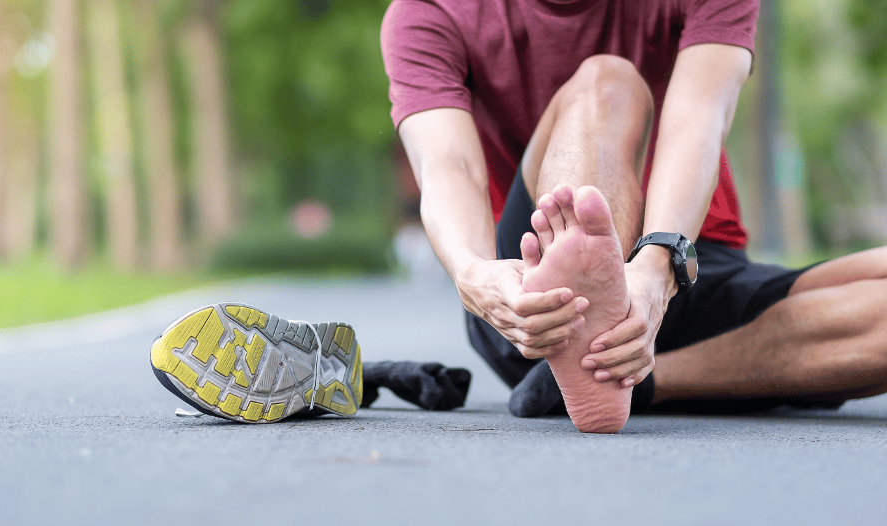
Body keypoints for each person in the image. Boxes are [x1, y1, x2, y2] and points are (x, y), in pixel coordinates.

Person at [380, 0, 887, 432]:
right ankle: (587, 317)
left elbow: (699, 121)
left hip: (683, 263)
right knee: (609, 82)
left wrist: (653, 270)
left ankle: (645, 380)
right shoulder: (427, 12)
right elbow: (449, 164)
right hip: (534, 303)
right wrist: (475, 273)